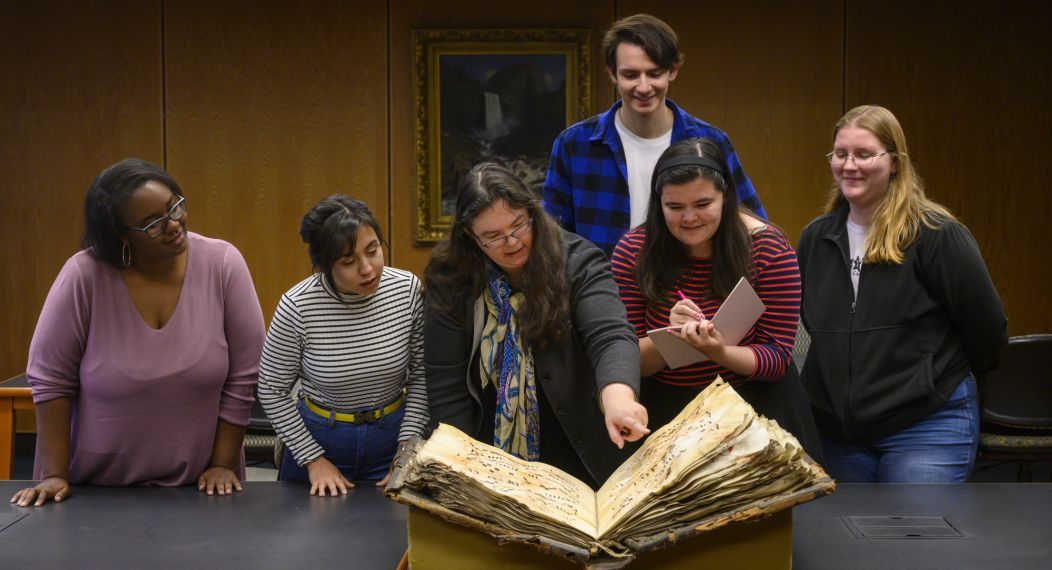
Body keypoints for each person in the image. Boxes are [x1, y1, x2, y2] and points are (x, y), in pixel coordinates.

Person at [11, 159, 265, 507]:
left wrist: (222, 463)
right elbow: (50, 380)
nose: (174, 224)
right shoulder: (83, 276)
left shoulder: (222, 264)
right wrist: (55, 474)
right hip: (93, 489)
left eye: (174, 206)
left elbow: (244, 376)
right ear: (119, 234)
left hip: (202, 488)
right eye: (153, 224)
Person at [797, 105, 1007, 483]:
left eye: (864, 154)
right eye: (840, 154)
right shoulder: (816, 237)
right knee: (841, 542)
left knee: (912, 538)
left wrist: (931, 378)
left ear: (894, 162)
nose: (849, 165)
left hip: (926, 425)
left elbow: (987, 329)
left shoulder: (935, 234)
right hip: (837, 436)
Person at [424, 162, 649, 488]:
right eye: (492, 237)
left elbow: (610, 335)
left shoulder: (577, 260)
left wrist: (618, 398)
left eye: (518, 226)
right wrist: (459, 465)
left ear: (533, 213)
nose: (511, 242)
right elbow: (446, 383)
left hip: (581, 448)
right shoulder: (451, 280)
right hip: (490, 454)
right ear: (469, 237)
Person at [611, 138, 822, 460]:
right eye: (675, 207)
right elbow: (626, 362)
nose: (689, 218)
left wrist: (718, 350)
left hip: (754, 405)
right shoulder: (634, 251)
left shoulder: (768, 250)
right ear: (659, 204)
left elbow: (776, 360)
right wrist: (671, 338)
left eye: (703, 204)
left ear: (726, 198)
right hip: (668, 408)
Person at [543, 13, 765, 257]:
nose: (644, 87)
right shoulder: (574, 144)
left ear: (673, 71)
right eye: (630, 75)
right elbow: (554, 237)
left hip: (692, 288)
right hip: (601, 288)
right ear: (612, 74)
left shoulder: (710, 141)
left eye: (654, 73)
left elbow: (753, 226)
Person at [257, 196, 426, 496]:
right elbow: (272, 389)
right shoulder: (298, 305)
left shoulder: (406, 290)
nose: (367, 268)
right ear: (323, 265)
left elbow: (422, 376)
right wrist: (313, 459)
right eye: (348, 261)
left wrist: (407, 451)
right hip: (320, 438)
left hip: (392, 439)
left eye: (373, 251)